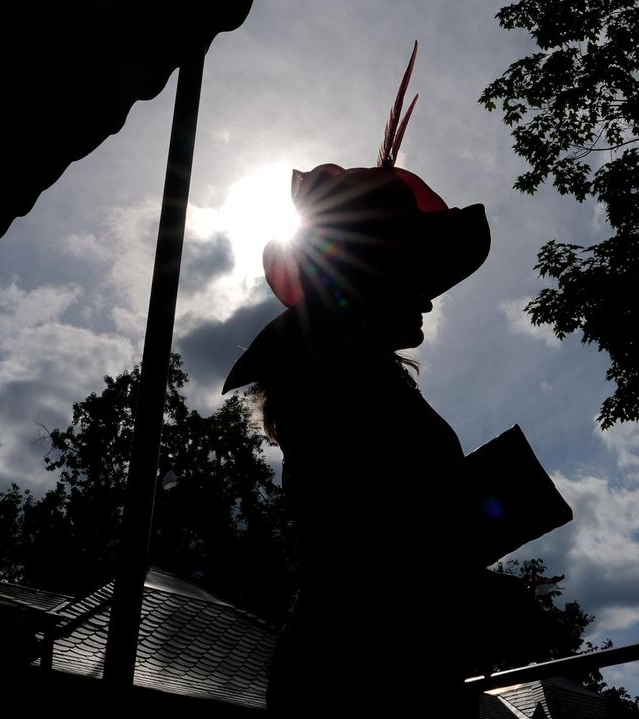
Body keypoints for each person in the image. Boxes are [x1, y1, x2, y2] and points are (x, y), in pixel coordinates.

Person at [221, 45, 496, 717]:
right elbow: (386, 535)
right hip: (368, 674)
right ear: (370, 276)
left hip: (364, 660)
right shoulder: (348, 374)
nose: (429, 299)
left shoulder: (343, 370)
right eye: (417, 274)